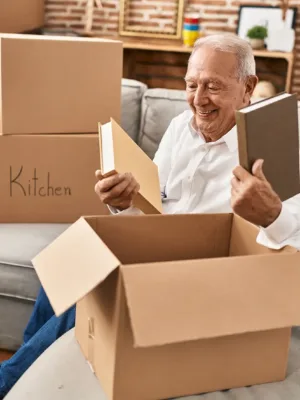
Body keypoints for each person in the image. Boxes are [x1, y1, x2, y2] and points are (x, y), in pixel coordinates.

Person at [1, 33, 299, 399]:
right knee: (71, 261)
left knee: (94, 290)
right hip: (157, 253)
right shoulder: (179, 129)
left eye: (213, 87)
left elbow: (292, 241)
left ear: (248, 86)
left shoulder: (276, 142)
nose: (199, 100)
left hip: (209, 277)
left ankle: (7, 381)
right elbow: (154, 203)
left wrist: (272, 215)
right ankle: (29, 366)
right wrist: (124, 200)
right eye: (192, 85)